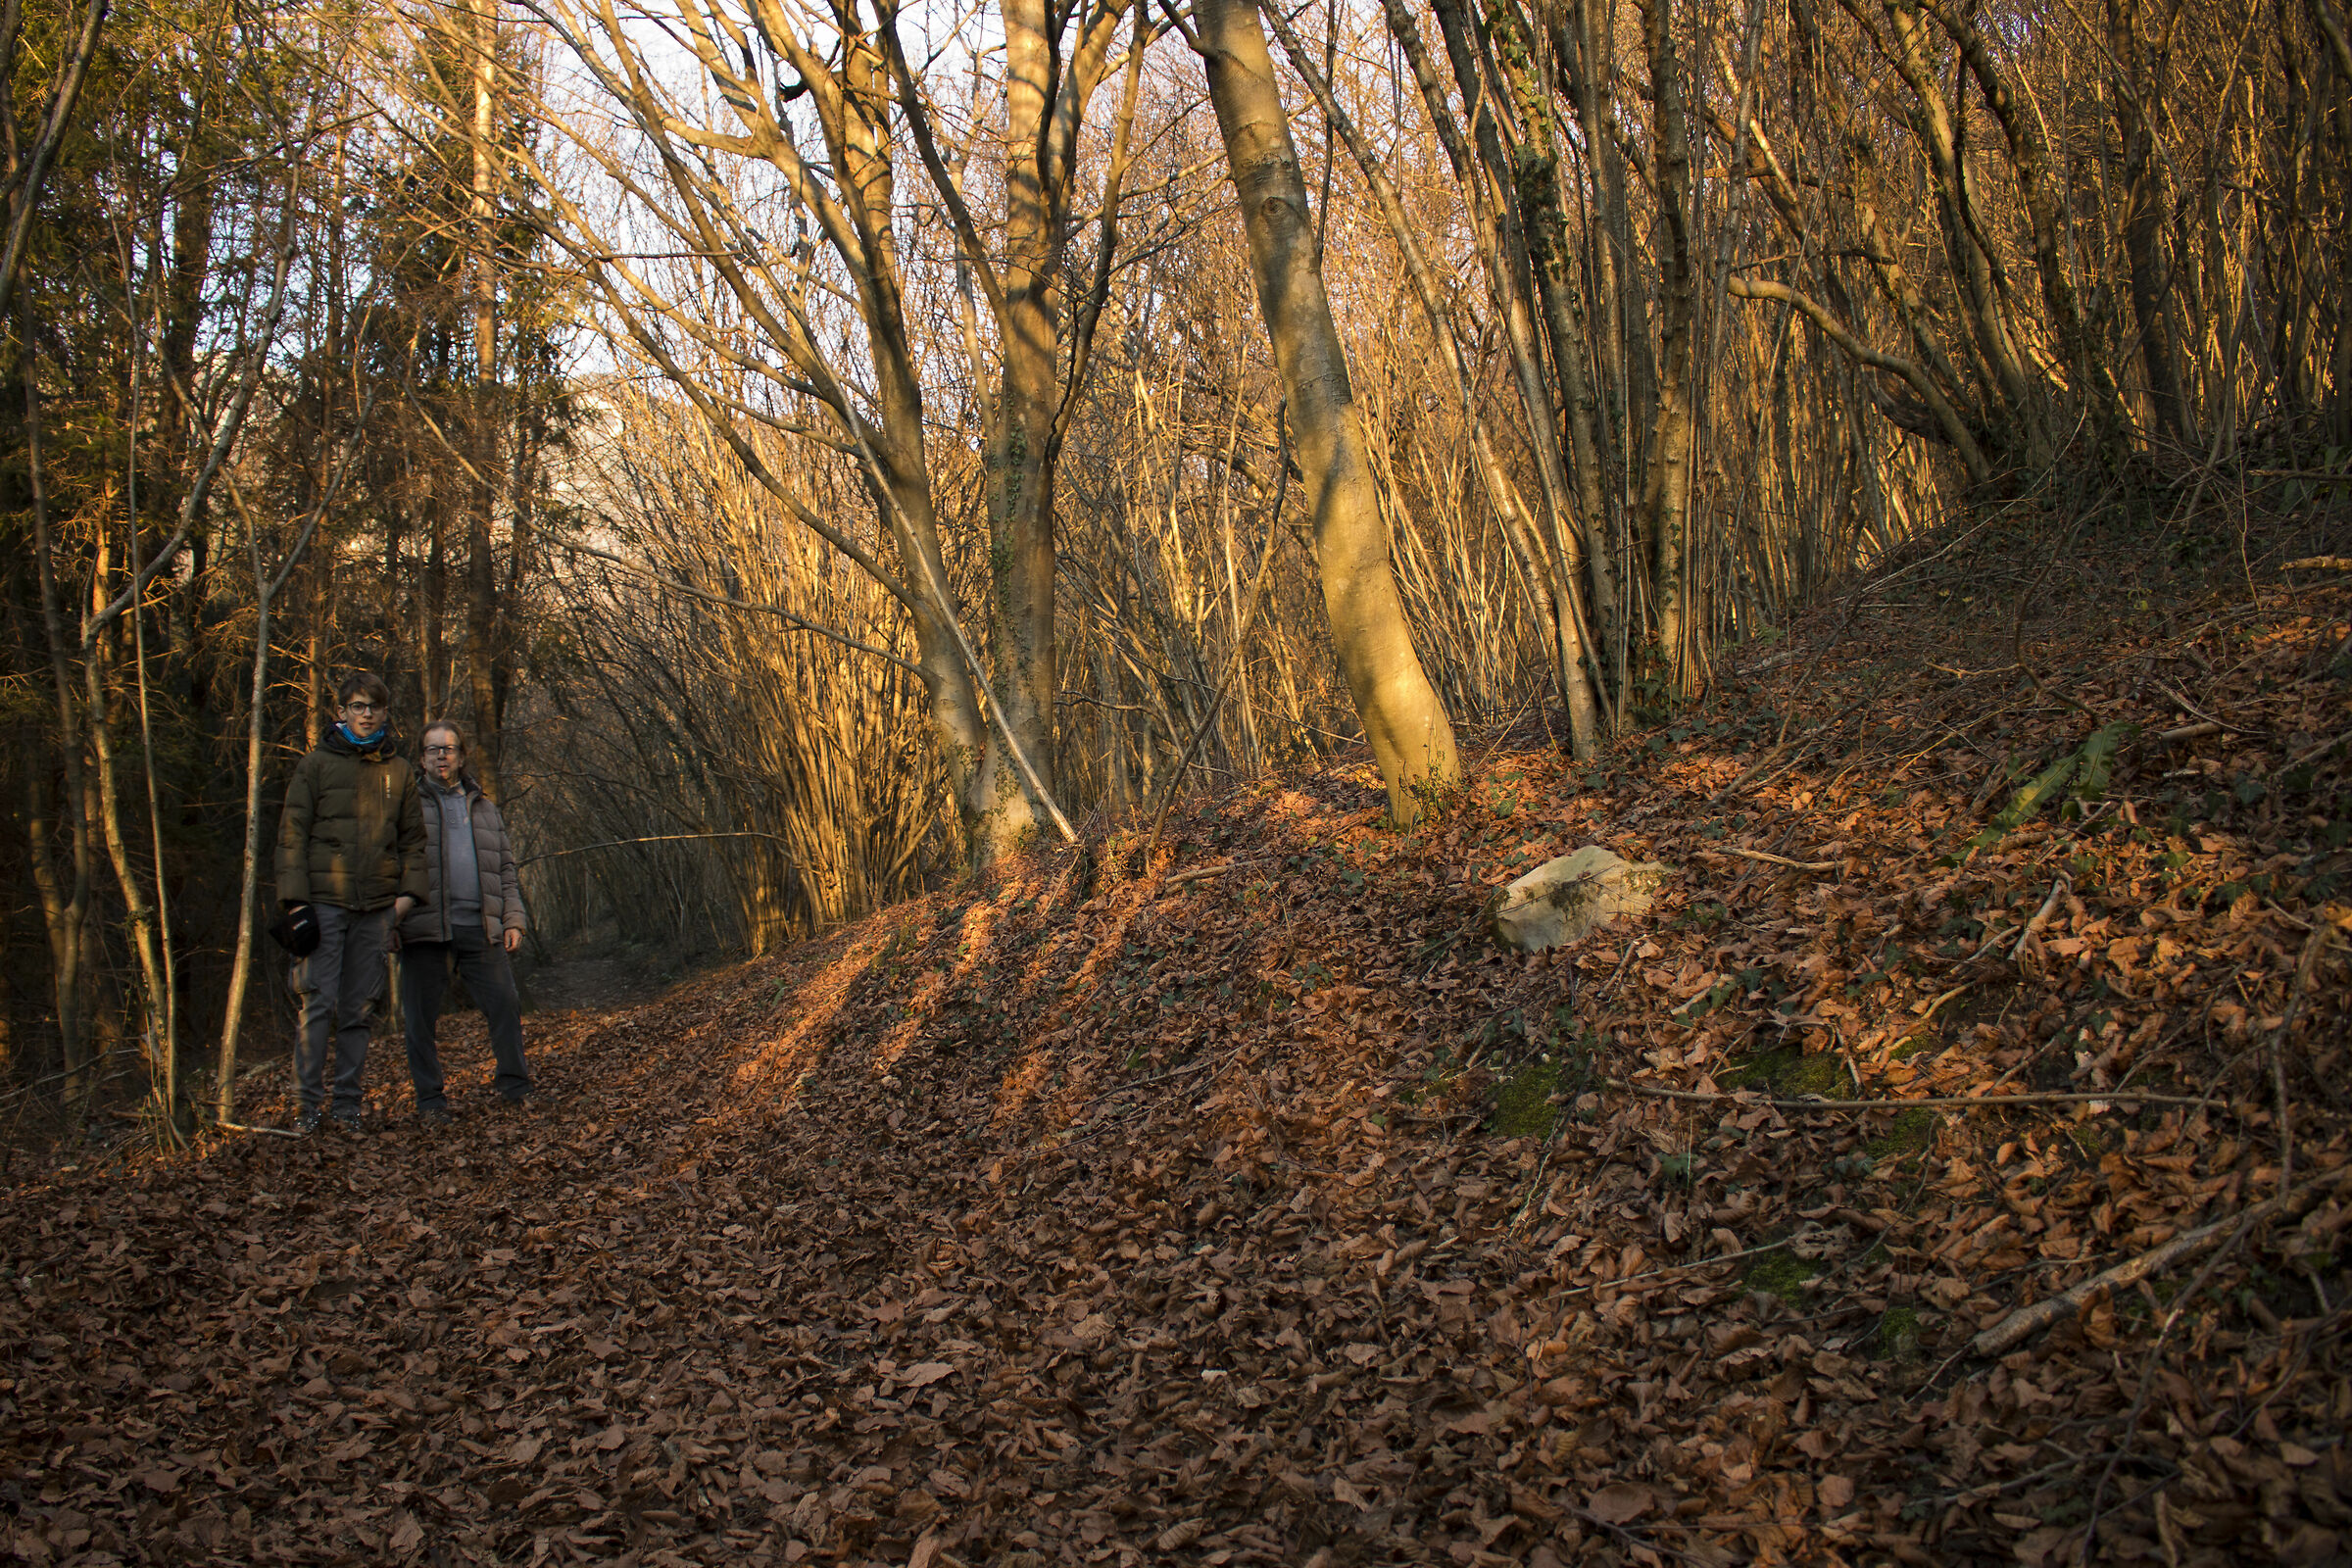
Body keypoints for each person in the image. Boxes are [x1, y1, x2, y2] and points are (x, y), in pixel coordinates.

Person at [274, 673, 426, 1134]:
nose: (365, 714)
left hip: (377, 906)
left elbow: (415, 843)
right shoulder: (315, 765)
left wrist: (405, 900)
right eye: (357, 706)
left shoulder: (398, 771)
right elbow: (291, 836)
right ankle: (307, 1107)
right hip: (323, 903)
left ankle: (347, 1105)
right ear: (341, 712)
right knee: (317, 1002)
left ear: (385, 713)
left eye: (373, 707)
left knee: (360, 1009)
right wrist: (295, 903)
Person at [396, 718, 533, 1119]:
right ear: (422, 758)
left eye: (449, 748)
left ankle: (515, 1088)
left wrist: (513, 918)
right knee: (419, 1019)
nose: (442, 755)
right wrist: (390, 922)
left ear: (460, 755)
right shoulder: (407, 805)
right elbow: (391, 864)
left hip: (480, 925)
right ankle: (430, 1099)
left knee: (505, 1004)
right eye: (433, 749)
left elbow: (505, 867)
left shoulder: (484, 806)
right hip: (423, 927)